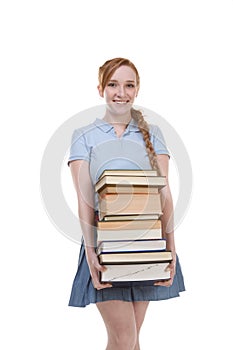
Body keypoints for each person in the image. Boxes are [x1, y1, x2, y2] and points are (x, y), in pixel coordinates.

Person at [68, 57, 185, 350]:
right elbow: (84, 201)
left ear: (137, 89)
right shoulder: (84, 136)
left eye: (129, 85)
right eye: (113, 84)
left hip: (148, 245)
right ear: (100, 89)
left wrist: (171, 248)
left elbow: (164, 194)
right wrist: (91, 252)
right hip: (105, 246)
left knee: (131, 340)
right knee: (124, 338)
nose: (121, 92)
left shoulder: (153, 134)